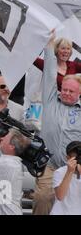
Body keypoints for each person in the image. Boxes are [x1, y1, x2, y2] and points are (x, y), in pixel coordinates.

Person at [34, 31, 81, 215]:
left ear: (79, 94)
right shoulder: (51, 98)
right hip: (49, 163)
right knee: (43, 198)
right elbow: (49, 72)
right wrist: (49, 42)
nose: (66, 93)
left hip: (74, 166)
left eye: (71, 91)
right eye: (65, 89)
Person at [50, 141, 81, 215]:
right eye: (76, 159)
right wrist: (69, 172)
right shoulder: (59, 172)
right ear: (68, 158)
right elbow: (60, 196)